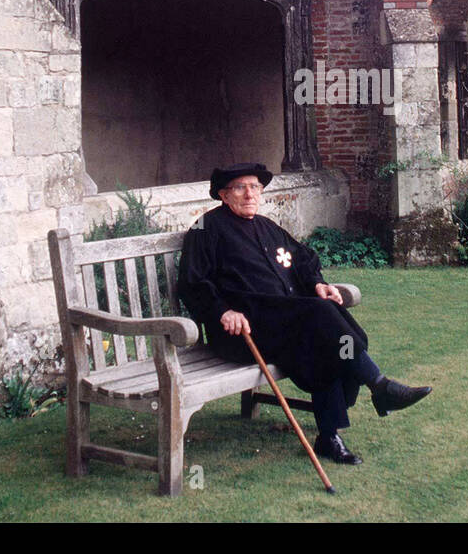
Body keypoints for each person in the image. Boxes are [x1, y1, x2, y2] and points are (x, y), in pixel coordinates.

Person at [178, 162, 431, 464]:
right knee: (322, 323)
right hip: (241, 331)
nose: (250, 194)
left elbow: (303, 260)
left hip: (286, 322)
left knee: (326, 338)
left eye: (255, 187)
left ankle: (329, 437)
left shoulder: (266, 227)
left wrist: (318, 284)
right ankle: (379, 386)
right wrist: (222, 312)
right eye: (240, 187)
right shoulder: (207, 229)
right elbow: (193, 282)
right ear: (223, 194)